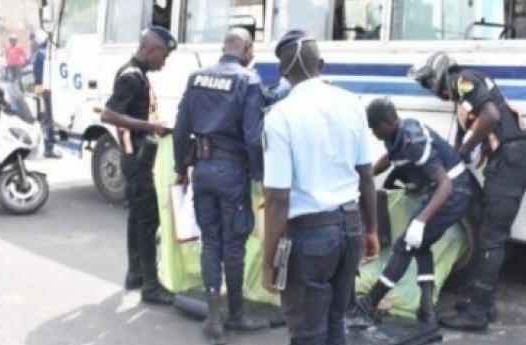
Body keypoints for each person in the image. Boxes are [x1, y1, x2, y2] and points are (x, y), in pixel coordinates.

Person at [262, 29, 379, 345]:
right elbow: (366, 176)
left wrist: (267, 262)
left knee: (307, 334)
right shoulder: (352, 104)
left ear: (283, 72)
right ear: (322, 65)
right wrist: (372, 231)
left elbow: (276, 198)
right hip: (351, 230)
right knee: (335, 324)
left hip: (309, 239)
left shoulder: (280, 115)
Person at [409, 52, 526, 331]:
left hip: (510, 161)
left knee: (492, 237)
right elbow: (474, 130)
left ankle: (477, 313)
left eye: (429, 84)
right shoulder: (472, 85)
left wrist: (462, 151)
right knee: (491, 232)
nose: (433, 91)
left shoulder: (463, 80)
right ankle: (484, 303)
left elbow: (490, 116)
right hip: (509, 160)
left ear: (438, 76)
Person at [173, 27, 269, 344]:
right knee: (233, 243)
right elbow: (254, 136)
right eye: (251, 49)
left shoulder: (196, 77)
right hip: (232, 173)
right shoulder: (247, 80)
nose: (252, 54)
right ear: (245, 48)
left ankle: (214, 317)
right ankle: (237, 314)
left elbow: (180, 129)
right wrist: (260, 175)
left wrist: (181, 168)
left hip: (202, 171)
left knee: (211, 241)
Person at [345, 98, 473, 328]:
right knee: (420, 246)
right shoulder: (395, 137)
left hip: (453, 192)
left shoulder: (412, 139)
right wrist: (364, 177)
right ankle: (427, 310)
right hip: (442, 191)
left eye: (375, 128)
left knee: (404, 246)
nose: (374, 134)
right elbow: (389, 160)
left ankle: (368, 305)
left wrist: (421, 221)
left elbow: (445, 184)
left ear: (389, 120)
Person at [101, 25, 176, 305]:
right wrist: (150, 126)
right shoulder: (132, 77)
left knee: (137, 216)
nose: (164, 62)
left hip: (135, 155)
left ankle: (135, 274)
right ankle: (151, 286)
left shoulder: (135, 73)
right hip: (137, 156)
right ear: (151, 50)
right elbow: (109, 114)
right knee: (147, 220)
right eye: (164, 56)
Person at [32, 30, 61, 159]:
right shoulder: (45, 54)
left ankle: (49, 145)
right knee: (50, 118)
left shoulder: (39, 53)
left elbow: (37, 75)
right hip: (50, 89)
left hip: (45, 89)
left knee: (48, 117)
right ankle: (49, 148)